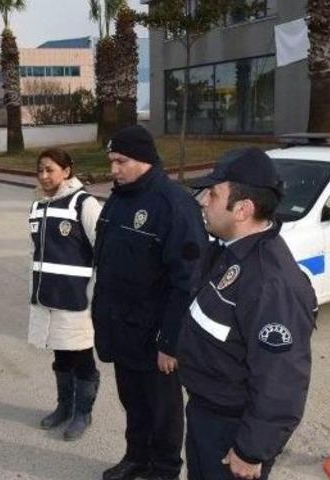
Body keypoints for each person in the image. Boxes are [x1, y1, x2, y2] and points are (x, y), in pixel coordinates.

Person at [177, 148, 317, 480]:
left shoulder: (271, 282)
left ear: (242, 209)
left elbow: (281, 377)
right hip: (205, 412)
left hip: (232, 430)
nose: (202, 202)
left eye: (212, 194)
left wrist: (252, 450)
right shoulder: (227, 251)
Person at [92, 125, 207, 480]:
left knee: (163, 411)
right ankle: (137, 458)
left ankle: (165, 470)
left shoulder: (173, 204)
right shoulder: (118, 197)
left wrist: (170, 341)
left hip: (155, 336)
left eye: (120, 161)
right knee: (134, 404)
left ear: (144, 159)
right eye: (111, 161)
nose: (113, 169)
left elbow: (186, 282)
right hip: (121, 328)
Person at [28, 148, 103, 441]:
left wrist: (98, 294)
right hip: (48, 298)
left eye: (50, 170)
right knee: (61, 358)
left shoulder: (84, 203)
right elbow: (35, 252)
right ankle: (64, 407)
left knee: (82, 358)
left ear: (67, 171)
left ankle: (83, 413)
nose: (44, 176)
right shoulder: (37, 205)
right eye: (40, 170)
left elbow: (103, 250)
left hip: (77, 301)